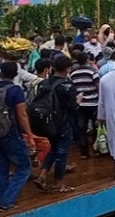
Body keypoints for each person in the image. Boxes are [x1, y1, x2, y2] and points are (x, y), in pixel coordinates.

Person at [0, 62, 36, 212]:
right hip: (10, 134)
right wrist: (29, 134)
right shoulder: (15, 90)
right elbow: (22, 115)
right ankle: (7, 201)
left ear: (0, 74)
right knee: (24, 167)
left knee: (1, 169)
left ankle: (2, 202)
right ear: (16, 75)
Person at [34, 56, 80, 193]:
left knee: (53, 149)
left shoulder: (44, 83)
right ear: (68, 68)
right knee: (61, 153)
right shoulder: (68, 86)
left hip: (47, 123)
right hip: (63, 123)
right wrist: (78, 100)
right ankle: (58, 183)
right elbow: (73, 107)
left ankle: (42, 175)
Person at [70, 52, 100, 159]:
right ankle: (97, 150)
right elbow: (98, 86)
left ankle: (84, 152)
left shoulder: (73, 74)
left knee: (82, 129)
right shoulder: (92, 72)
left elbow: (72, 89)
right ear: (87, 60)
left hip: (81, 104)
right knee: (96, 127)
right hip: (94, 103)